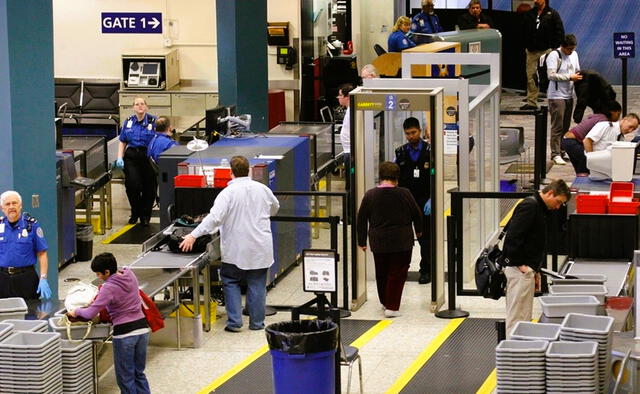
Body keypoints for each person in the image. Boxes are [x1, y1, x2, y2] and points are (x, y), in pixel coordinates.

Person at [179, 156, 280, 332]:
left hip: (236, 248)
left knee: (231, 281)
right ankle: (257, 323)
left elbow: (214, 219)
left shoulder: (227, 194)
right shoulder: (263, 189)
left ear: (230, 173)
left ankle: (235, 323)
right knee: (257, 283)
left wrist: (193, 235)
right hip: (260, 247)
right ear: (248, 171)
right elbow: (275, 208)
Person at [69, 253, 150, 394]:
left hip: (125, 335)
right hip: (143, 330)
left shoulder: (108, 287)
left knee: (126, 378)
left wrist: (76, 311)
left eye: (99, 274)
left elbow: (89, 314)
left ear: (107, 271)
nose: (98, 277)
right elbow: (121, 299)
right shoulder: (129, 274)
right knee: (139, 374)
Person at [502, 180, 571, 336]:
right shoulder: (530, 207)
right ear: (550, 193)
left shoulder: (539, 208)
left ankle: (520, 350)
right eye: (558, 201)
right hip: (520, 270)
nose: (558, 207)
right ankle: (514, 354)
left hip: (526, 269)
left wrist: (536, 270)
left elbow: (532, 242)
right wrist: (522, 267)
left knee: (523, 315)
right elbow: (513, 237)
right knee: (518, 318)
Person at [357, 162, 422, 318]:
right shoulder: (405, 193)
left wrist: (361, 241)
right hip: (401, 241)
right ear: (397, 178)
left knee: (382, 272)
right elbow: (417, 214)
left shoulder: (370, 195)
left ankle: (385, 301)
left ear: (380, 177)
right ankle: (392, 307)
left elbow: (361, 219)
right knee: (397, 272)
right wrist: (418, 232)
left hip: (378, 241)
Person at [394, 117, 432, 284]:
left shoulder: (430, 151)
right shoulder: (400, 153)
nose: (410, 136)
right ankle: (402, 269)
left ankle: (426, 270)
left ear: (420, 131)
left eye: (413, 133)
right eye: (407, 134)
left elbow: (436, 177)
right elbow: (395, 178)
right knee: (402, 238)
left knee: (425, 238)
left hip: (424, 200)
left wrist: (432, 199)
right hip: (405, 201)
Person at [0, 191, 51, 300]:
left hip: (26, 278)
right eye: (7, 204)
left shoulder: (31, 226)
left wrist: (43, 278)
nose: (11, 207)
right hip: (2, 279)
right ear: (2, 208)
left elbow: (42, 253)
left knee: (30, 314)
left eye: (14, 203)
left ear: (21, 205)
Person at [116, 97, 157, 226]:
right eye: (137, 104)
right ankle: (136, 211)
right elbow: (123, 141)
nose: (140, 106)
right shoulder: (128, 122)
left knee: (149, 188)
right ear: (133, 107)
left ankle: (145, 216)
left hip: (147, 156)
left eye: (142, 104)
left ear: (146, 106)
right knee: (132, 185)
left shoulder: (154, 121)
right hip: (132, 156)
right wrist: (119, 157)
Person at [520, 0, 564, 110]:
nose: (535, 0)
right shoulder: (530, 14)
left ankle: (554, 102)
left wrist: (553, 48)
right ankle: (531, 102)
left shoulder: (553, 14)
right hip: (531, 51)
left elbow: (559, 32)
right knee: (531, 77)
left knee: (549, 77)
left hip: (546, 51)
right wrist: (526, 44)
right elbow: (523, 30)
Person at [547, 34, 582, 166]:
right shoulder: (554, 55)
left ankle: (562, 150)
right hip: (556, 96)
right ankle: (555, 154)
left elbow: (577, 71)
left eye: (573, 48)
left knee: (566, 126)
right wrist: (569, 77)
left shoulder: (574, 54)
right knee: (557, 126)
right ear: (563, 47)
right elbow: (551, 75)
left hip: (569, 94)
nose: (571, 51)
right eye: (569, 49)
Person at [562, 101, 621, 175]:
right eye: (618, 114)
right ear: (612, 112)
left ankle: (580, 181)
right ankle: (582, 181)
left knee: (580, 166)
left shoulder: (598, 116)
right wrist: (592, 158)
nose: (618, 118)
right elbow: (589, 140)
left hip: (567, 140)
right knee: (586, 160)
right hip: (572, 141)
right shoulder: (603, 122)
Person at [338, 83, 355, 192]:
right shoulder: (349, 110)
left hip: (350, 153)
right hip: (347, 151)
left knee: (350, 185)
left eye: (340, 95)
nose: (338, 98)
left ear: (347, 96)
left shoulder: (352, 111)